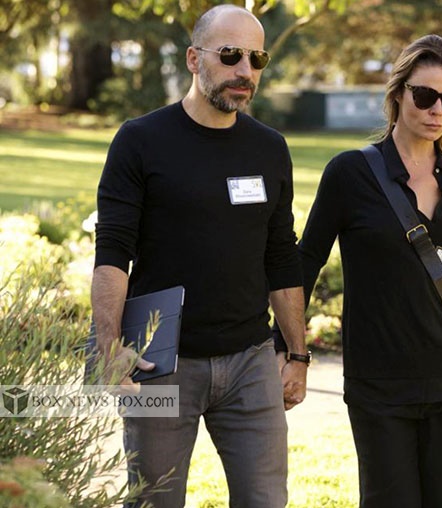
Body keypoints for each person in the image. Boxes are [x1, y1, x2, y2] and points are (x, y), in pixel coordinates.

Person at [275, 34, 442, 508]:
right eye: (424, 96)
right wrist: (289, 350)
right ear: (398, 94)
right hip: (379, 384)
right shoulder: (349, 173)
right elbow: (306, 261)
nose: (437, 109)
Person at [91, 5, 309, 507]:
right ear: (193, 58)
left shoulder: (270, 148)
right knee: (155, 501)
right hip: (159, 361)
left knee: (266, 500)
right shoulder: (140, 140)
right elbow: (113, 253)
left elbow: (281, 255)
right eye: (230, 55)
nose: (245, 71)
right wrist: (109, 347)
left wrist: (297, 354)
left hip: (251, 360)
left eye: (256, 59)